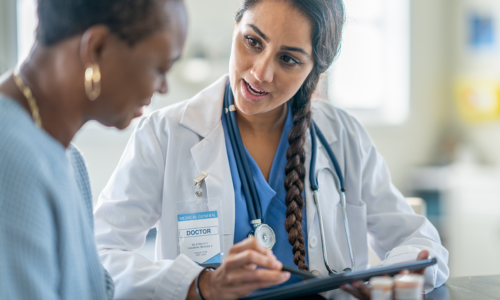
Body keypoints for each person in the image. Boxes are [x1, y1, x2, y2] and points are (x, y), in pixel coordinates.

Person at [94, 0, 450, 299]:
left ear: (313, 72)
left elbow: (419, 240)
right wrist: (201, 284)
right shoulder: (165, 134)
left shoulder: (343, 136)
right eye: (252, 41)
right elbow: (99, 254)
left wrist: (394, 281)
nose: (260, 72)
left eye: (289, 60)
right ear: (236, 26)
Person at [0, 0, 187, 299]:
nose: (163, 87)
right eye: (159, 68)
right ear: (97, 48)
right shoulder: (10, 159)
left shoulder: (71, 161)